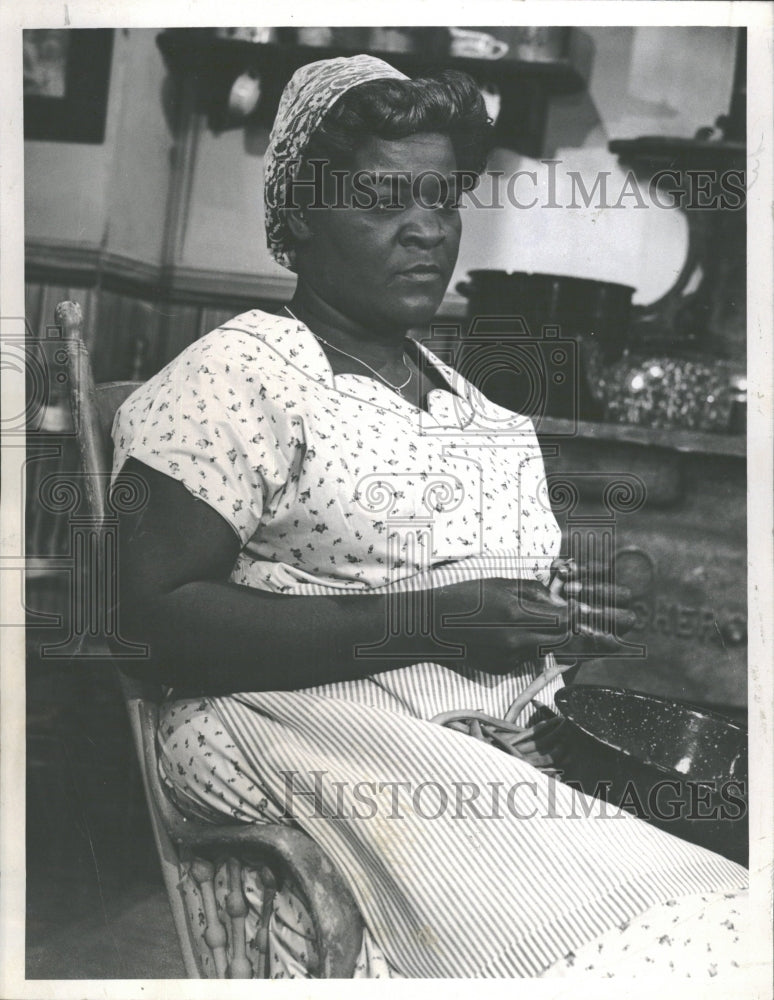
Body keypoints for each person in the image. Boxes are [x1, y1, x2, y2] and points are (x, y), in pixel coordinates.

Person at [111, 55, 747, 979]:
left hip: (497, 755)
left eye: (443, 199)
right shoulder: (246, 374)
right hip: (332, 744)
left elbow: (491, 606)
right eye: (382, 199)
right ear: (296, 216)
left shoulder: (473, 411)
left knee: (718, 909)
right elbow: (148, 617)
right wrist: (433, 622)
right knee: (670, 954)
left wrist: (562, 616)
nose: (426, 231)